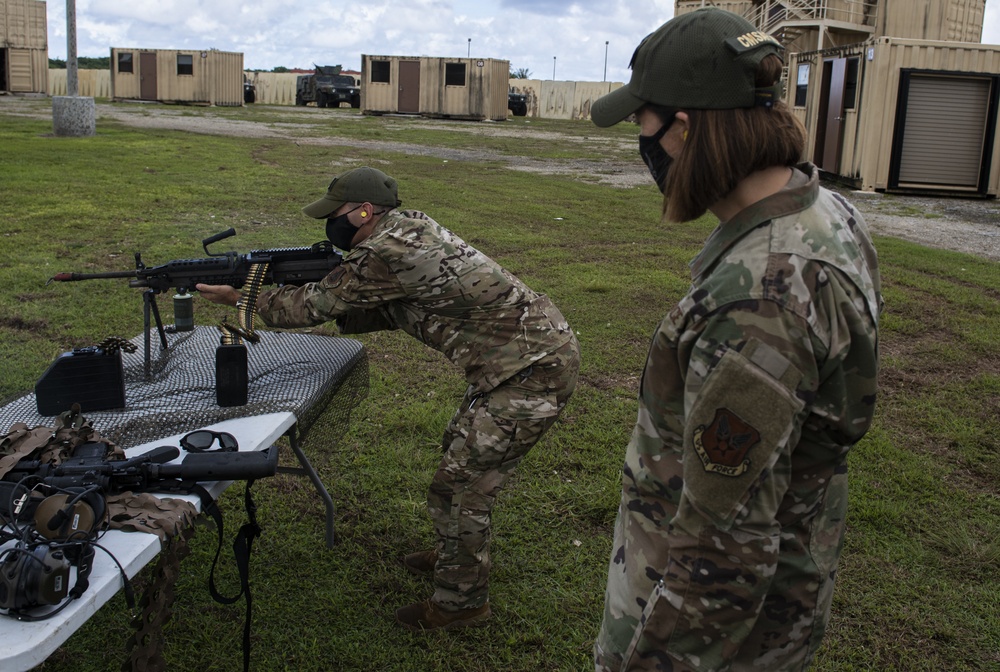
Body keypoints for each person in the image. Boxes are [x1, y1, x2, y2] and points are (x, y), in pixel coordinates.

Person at [588, 8, 882, 672]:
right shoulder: (824, 210)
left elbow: (724, 548)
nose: (641, 142)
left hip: (711, 633)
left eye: (643, 123)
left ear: (684, 128)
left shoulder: (762, 296)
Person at [197, 165, 579, 632]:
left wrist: (244, 298)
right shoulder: (407, 227)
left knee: (461, 487)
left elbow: (313, 306)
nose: (329, 225)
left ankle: (461, 604)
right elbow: (386, 304)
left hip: (532, 371)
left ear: (363, 212)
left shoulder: (387, 252)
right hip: (516, 361)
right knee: (455, 455)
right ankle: (451, 555)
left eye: (334, 215)